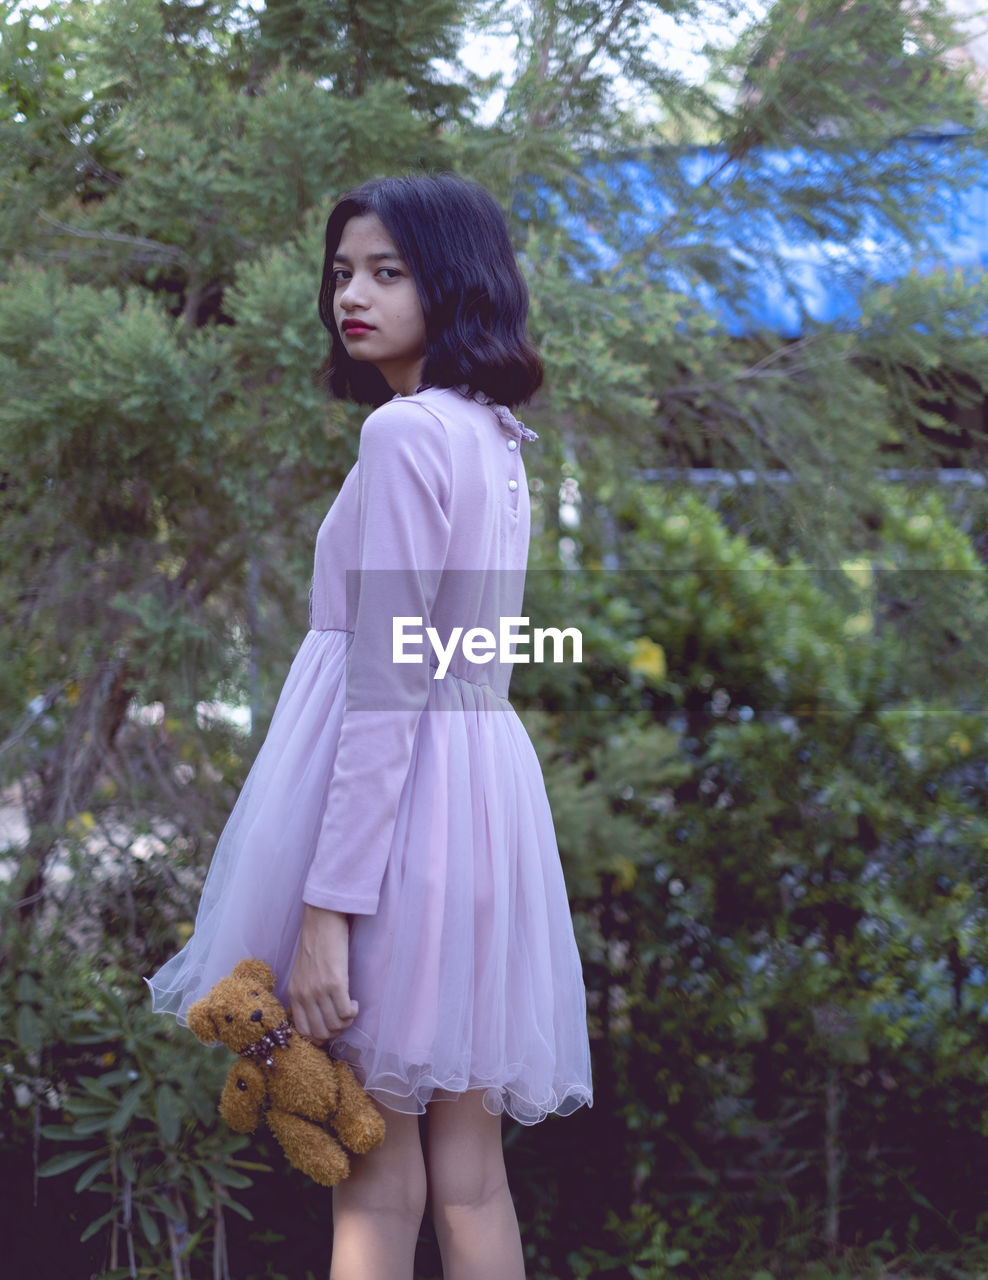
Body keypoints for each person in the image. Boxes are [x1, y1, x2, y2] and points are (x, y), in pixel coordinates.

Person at [148, 172, 593, 1280]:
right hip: (480, 810)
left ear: (454, 282)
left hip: (397, 833)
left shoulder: (404, 434)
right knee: (472, 1176)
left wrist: (327, 912)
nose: (355, 292)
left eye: (389, 271)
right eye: (344, 271)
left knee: (376, 1186)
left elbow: (393, 681)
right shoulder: (495, 438)